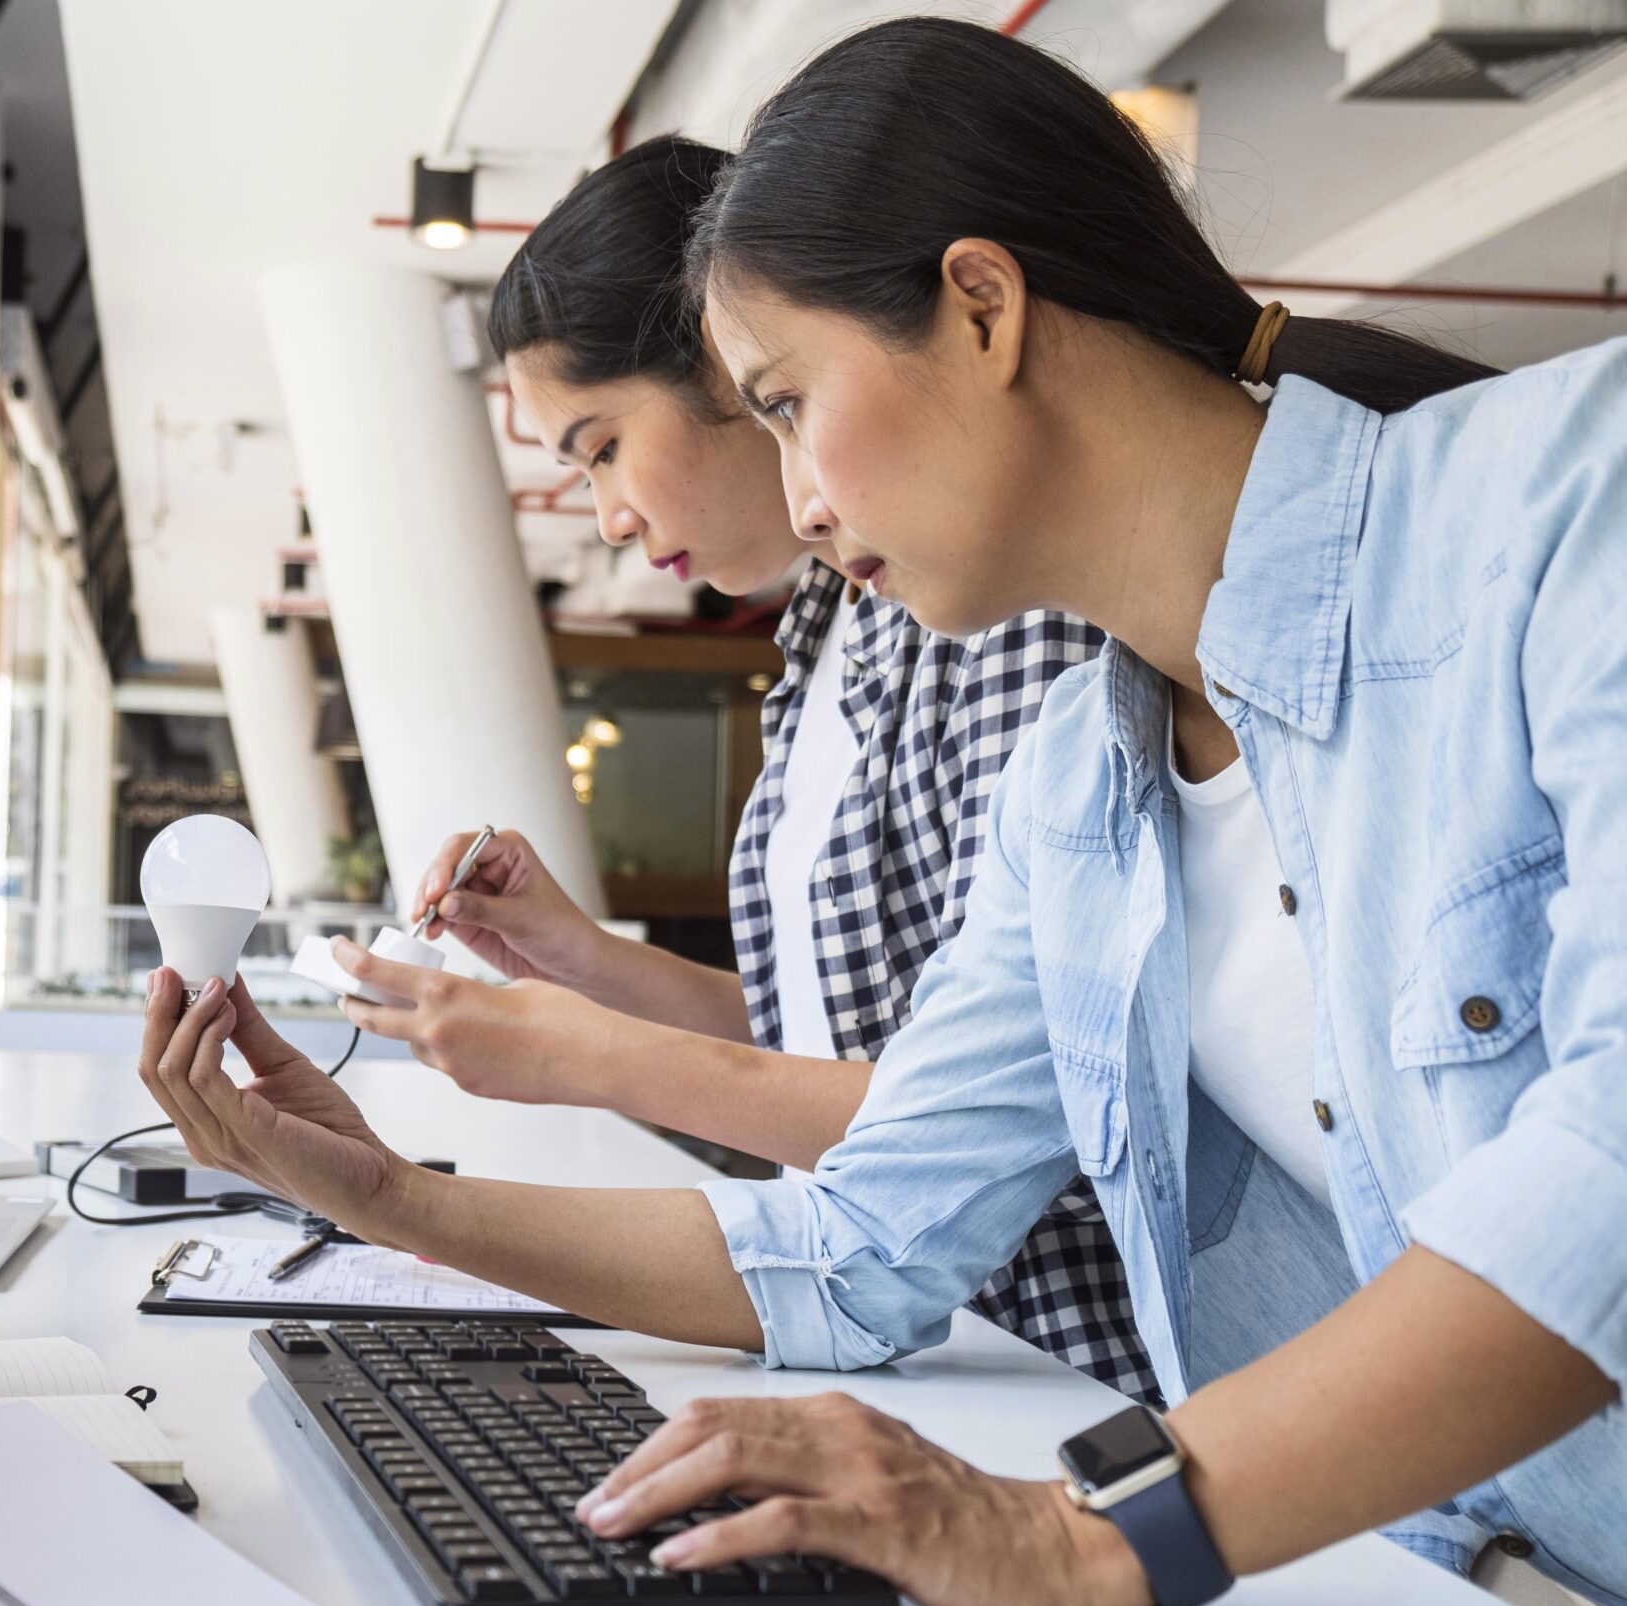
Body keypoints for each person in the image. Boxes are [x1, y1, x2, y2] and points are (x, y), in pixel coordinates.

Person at [136, 16, 1627, 1606]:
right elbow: (857, 1241)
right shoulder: (1080, 785)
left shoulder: (1572, 503)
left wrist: (1073, 1535)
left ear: (981, 309)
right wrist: (376, 1195)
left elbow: (1604, 1174)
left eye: (784, 402)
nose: (804, 496)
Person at [338, 135, 1151, 1403]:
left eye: (601, 445)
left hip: (1043, 1368)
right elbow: (841, 1048)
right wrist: (585, 967)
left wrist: (581, 1054)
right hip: (905, 1340)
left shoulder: (992, 612)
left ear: (731, 364)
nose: (604, 512)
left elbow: (984, 1120)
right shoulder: (828, 627)